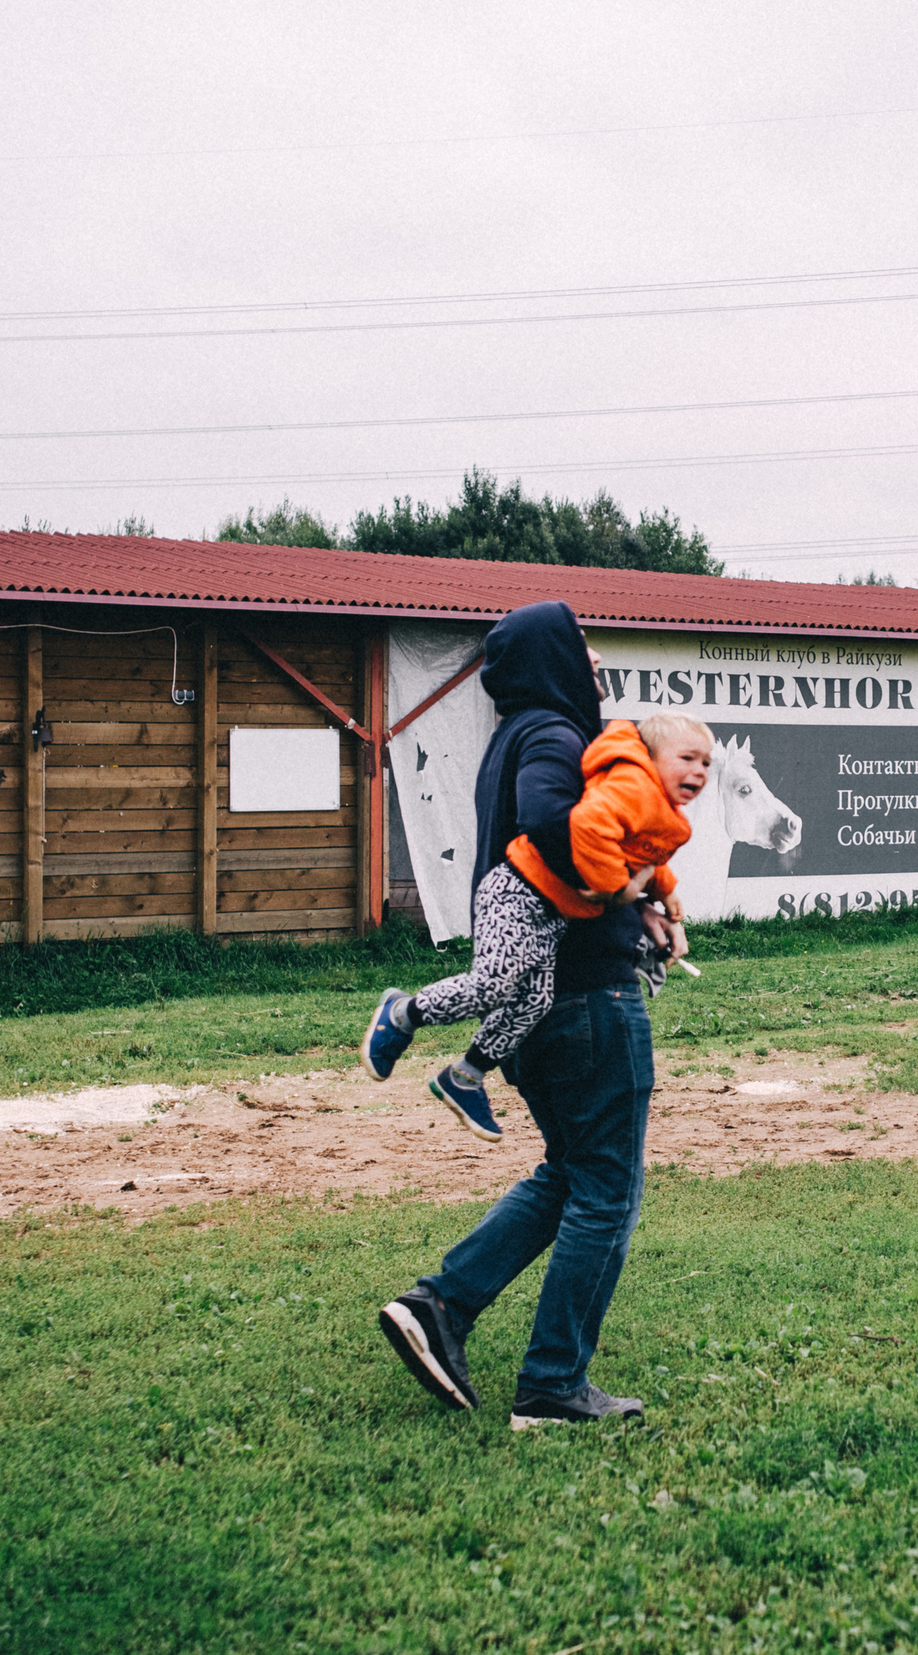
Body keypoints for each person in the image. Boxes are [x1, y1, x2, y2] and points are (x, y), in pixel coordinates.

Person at [374, 602, 690, 1429]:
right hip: (587, 999)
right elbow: (559, 828)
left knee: (570, 1173)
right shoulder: (553, 736)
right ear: (551, 657)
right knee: (608, 1191)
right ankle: (551, 1383)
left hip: (546, 1006)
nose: (593, 664)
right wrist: (633, 893)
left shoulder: (511, 738)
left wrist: (641, 906)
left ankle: (440, 1306)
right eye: (580, 648)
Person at [360, 706, 709, 1139]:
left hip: (551, 916)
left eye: (707, 763)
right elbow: (589, 826)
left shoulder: (662, 812)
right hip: (518, 890)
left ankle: (465, 1076)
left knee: (533, 1002)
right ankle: (401, 1013)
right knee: (493, 984)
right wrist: (612, 888)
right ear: (652, 756)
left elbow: (646, 855)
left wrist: (663, 892)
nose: (699, 770)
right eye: (688, 758)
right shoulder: (631, 784)